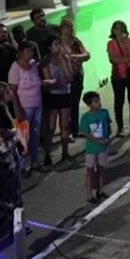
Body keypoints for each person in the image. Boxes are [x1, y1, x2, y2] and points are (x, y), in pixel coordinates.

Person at [0, 82, 24, 242]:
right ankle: (11, 223)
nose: (11, 93)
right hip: (4, 155)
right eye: (9, 91)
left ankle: (11, 223)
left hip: (8, 152)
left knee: (9, 187)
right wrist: (8, 132)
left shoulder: (4, 108)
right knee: (10, 187)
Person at [8, 41, 44, 174]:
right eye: (27, 51)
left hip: (37, 103)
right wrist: (17, 109)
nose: (31, 54)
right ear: (20, 53)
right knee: (23, 136)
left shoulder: (34, 64)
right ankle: (21, 166)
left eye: (32, 51)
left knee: (35, 134)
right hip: (24, 106)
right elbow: (13, 90)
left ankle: (35, 161)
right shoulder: (15, 68)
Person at [41, 37, 73, 167]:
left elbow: (70, 77)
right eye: (55, 44)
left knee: (65, 126)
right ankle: (47, 155)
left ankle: (65, 153)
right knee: (51, 127)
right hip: (52, 96)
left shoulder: (65, 58)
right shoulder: (46, 62)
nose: (58, 47)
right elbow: (49, 82)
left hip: (65, 94)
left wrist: (64, 62)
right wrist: (59, 82)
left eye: (59, 44)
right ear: (49, 47)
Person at [60, 18, 90, 138]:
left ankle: (75, 129)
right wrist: (77, 59)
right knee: (66, 105)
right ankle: (66, 130)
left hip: (77, 75)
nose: (71, 29)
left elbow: (87, 54)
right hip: (65, 77)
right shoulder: (59, 43)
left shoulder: (76, 41)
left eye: (72, 27)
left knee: (75, 102)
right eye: (68, 27)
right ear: (62, 29)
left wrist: (74, 57)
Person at [79, 92, 111, 204]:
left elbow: (108, 126)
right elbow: (85, 133)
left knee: (101, 169)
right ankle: (89, 194)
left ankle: (100, 190)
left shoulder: (104, 113)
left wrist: (107, 138)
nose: (99, 103)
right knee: (90, 170)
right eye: (95, 101)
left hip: (102, 147)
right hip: (92, 148)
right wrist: (98, 141)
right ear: (90, 104)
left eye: (99, 100)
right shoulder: (86, 117)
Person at [106, 20, 130, 138]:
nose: (119, 30)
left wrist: (126, 42)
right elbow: (113, 60)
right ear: (113, 30)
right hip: (117, 75)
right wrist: (127, 59)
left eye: (121, 28)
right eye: (116, 28)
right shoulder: (111, 43)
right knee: (119, 101)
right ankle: (120, 127)